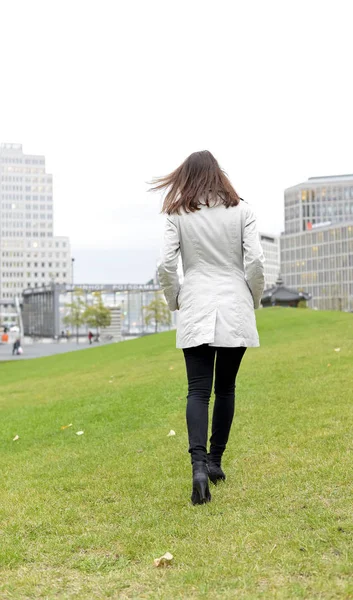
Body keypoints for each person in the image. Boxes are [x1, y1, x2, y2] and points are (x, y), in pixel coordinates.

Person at [153, 150, 265, 505]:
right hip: (235, 303)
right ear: (219, 175)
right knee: (226, 388)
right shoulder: (243, 210)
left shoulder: (177, 215)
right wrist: (254, 298)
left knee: (198, 390)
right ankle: (215, 461)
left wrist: (175, 300)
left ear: (186, 177)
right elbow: (256, 262)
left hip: (197, 302)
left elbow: (166, 266)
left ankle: (198, 467)